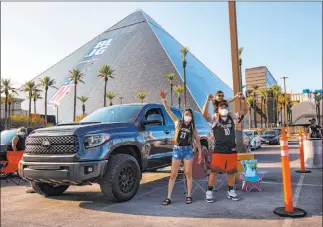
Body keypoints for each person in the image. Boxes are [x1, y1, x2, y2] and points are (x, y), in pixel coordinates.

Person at [160, 88, 202, 205]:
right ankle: (168, 197)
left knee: (188, 173)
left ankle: (189, 195)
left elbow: (197, 140)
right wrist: (164, 99)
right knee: (173, 174)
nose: (187, 116)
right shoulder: (178, 122)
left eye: (189, 114)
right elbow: (168, 111)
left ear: (191, 117)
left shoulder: (192, 127)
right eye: (185, 114)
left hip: (188, 150)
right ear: (183, 115)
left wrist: (199, 154)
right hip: (177, 150)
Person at [202, 94, 247, 203]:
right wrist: (207, 101)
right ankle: (209, 191)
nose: (224, 109)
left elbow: (244, 111)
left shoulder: (232, 118)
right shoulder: (215, 119)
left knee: (231, 172)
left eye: (226, 107)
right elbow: (204, 114)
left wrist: (244, 99)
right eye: (222, 107)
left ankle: (231, 190)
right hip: (219, 150)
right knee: (214, 172)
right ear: (218, 109)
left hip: (231, 149)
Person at [12, 127, 36, 194]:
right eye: (21, 130)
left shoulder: (25, 138)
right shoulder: (16, 137)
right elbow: (13, 145)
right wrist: (16, 152)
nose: (23, 132)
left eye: (24, 130)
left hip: (24, 153)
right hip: (19, 153)